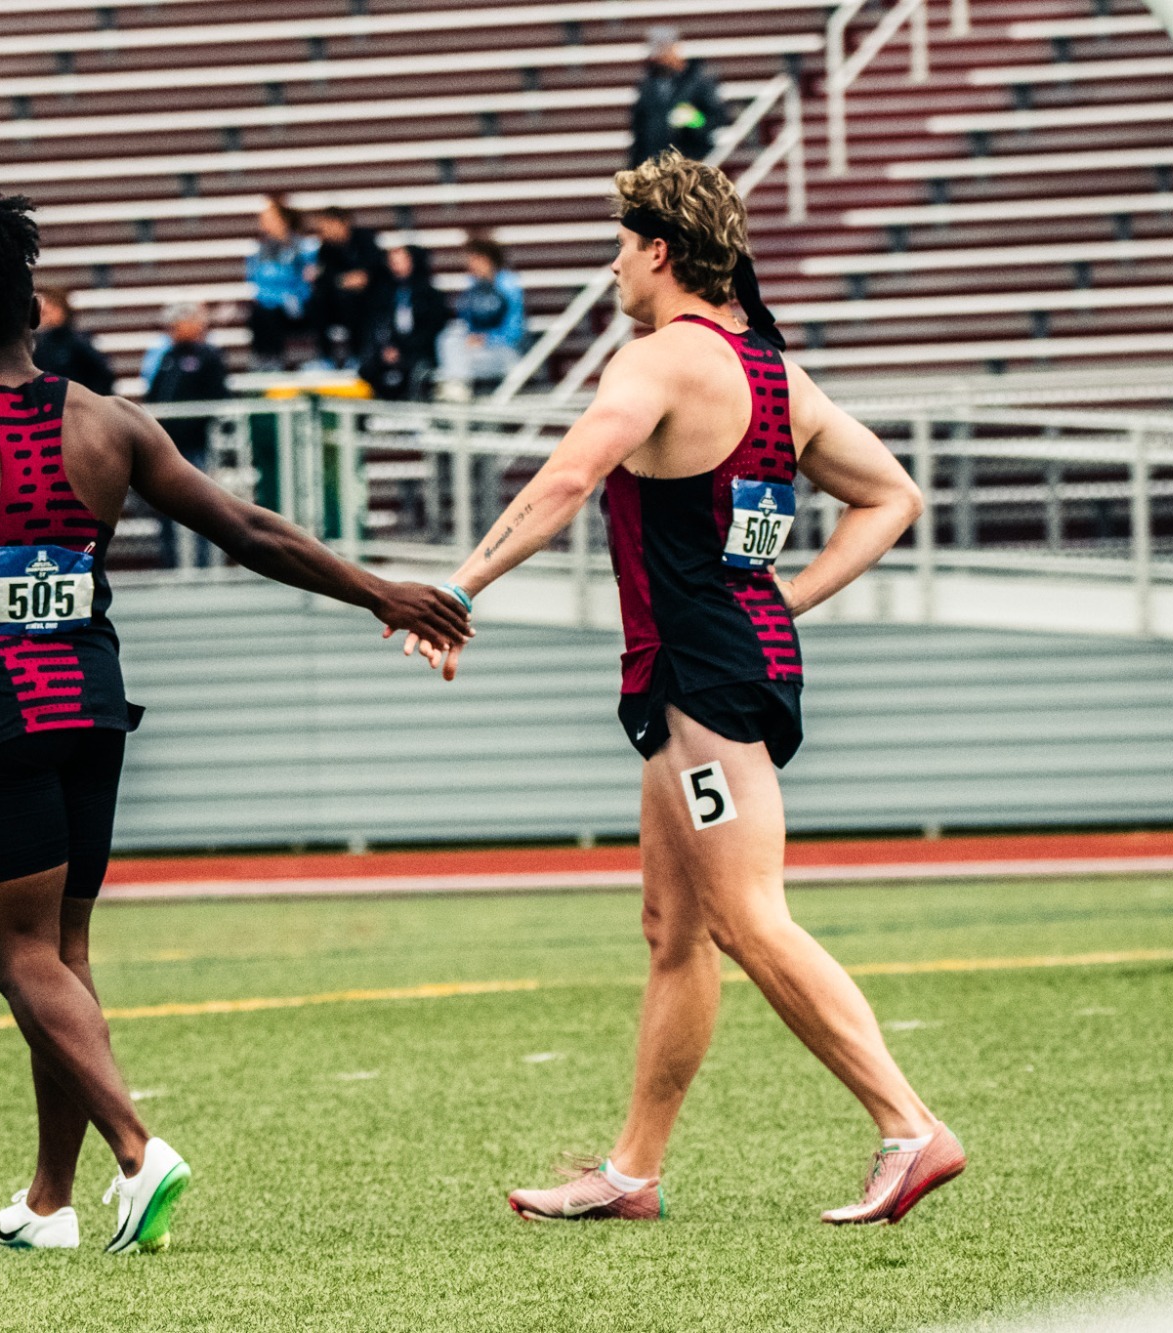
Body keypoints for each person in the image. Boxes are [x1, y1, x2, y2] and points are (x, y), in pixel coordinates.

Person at [0, 194, 470, 1256]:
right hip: (93, 699)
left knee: (16, 957)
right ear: (32, 305)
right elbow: (246, 528)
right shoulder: (109, 422)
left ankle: (134, 1149)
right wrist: (378, 590)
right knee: (62, 948)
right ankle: (48, 1205)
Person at [402, 152, 962, 1226]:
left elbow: (567, 477)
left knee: (748, 917)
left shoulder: (656, 360)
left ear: (657, 250)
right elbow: (890, 496)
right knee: (674, 925)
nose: (611, 267)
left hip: (702, 674)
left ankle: (907, 1126)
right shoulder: (769, 370)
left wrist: (455, 587)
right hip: (714, 661)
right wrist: (780, 600)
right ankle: (630, 1172)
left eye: (618, 247)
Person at [144, 303, 228, 569]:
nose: (175, 328)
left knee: (201, 505)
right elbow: (155, 395)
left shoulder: (208, 357)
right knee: (167, 506)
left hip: (197, 444)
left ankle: (204, 564)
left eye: (181, 322)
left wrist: (194, 425)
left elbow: (218, 397)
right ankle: (172, 563)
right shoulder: (166, 357)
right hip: (168, 445)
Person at [435, 237, 525, 401]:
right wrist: (473, 338)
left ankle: (455, 387)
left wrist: (488, 338)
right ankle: (456, 386)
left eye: (474, 260)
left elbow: (515, 331)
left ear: (487, 259)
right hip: (477, 352)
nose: (470, 265)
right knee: (450, 338)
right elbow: (467, 324)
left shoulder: (508, 286)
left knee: (457, 366)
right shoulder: (472, 287)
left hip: (504, 352)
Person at [359, 244, 447, 401]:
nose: (395, 266)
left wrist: (403, 349)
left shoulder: (431, 296)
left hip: (419, 352)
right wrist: (386, 349)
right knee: (369, 368)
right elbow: (379, 327)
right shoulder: (386, 295)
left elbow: (431, 331)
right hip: (391, 351)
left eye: (401, 261)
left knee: (416, 370)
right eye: (392, 262)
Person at [629, 28, 727, 167]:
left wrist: (696, 120)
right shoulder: (648, 85)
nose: (660, 57)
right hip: (656, 166)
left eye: (664, 49)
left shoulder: (698, 81)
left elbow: (718, 118)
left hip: (688, 163)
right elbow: (640, 131)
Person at [305, 207, 384, 368]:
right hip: (338, 300)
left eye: (326, 225)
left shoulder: (365, 239)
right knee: (316, 301)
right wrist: (343, 280)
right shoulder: (326, 248)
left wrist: (344, 280)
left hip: (368, 300)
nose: (323, 231)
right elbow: (325, 279)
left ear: (342, 223)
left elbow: (369, 275)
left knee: (353, 301)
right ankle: (325, 357)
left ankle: (358, 355)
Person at [244, 196, 314, 372]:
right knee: (260, 312)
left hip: (296, 305)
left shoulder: (302, 248)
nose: (264, 223)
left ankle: (275, 361)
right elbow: (255, 281)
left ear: (283, 220)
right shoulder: (259, 251)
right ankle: (265, 360)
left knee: (269, 311)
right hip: (269, 306)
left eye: (269, 218)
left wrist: (283, 296)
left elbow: (304, 284)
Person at [31, 289, 115, 395]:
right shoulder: (40, 345)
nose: (42, 319)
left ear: (60, 311)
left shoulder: (78, 341)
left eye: (45, 313)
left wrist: (91, 401)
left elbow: (103, 374)